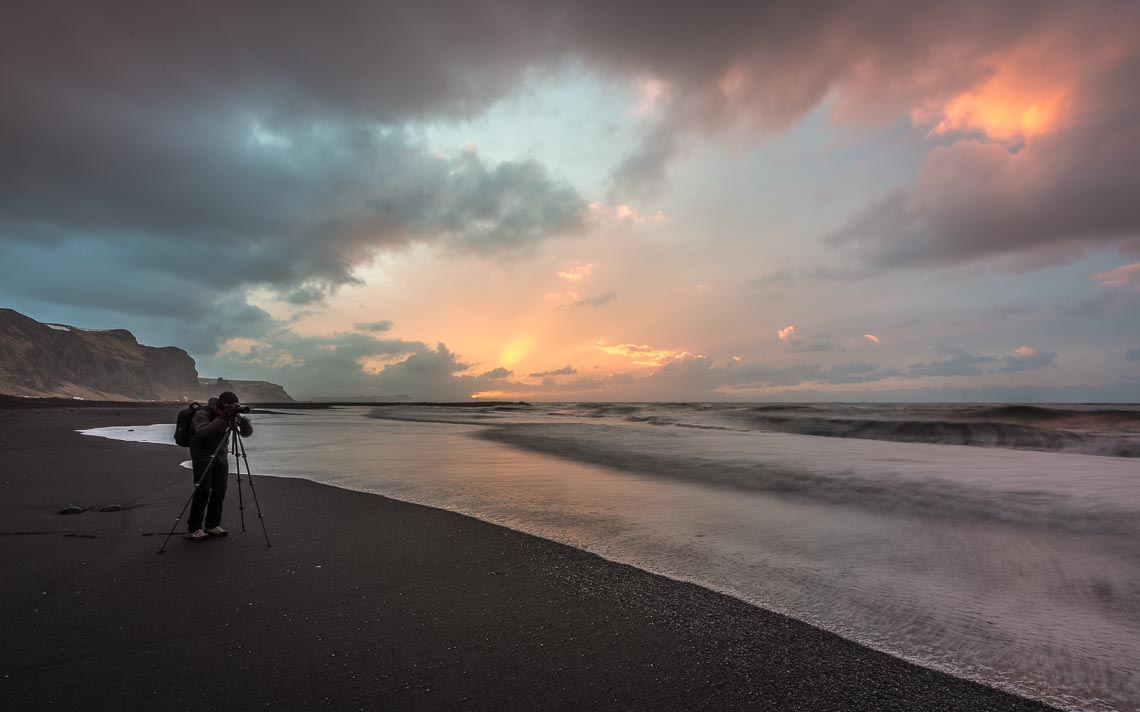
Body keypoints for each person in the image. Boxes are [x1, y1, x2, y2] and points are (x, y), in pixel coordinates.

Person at [187, 390, 253, 541]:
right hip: (202, 453)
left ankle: (212, 525)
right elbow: (203, 432)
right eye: (231, 407)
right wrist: (223, 418)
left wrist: (241, 420)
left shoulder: (230, 414)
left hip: (221, 453)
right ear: (223, 406)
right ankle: (194, 528)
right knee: (203, 490)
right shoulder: (203, 413)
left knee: (220, 489)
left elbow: (246, 433)